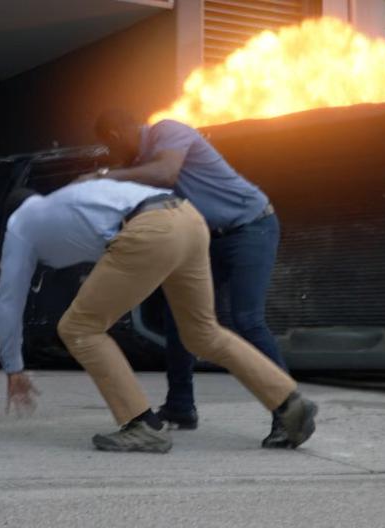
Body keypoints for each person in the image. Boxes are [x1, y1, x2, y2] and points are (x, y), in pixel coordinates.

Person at [0, 179, 318, 453]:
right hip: (188, 218)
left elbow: (8, 300)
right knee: (202, 332)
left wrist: (13, 367)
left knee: (79, 327)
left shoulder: (19, 225)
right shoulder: (66, 200)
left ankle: (141, 425)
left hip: (150, 229)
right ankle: (289, 404)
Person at [93, 109, 291, 447]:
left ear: (114, 134)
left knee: (247, 319)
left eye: (108, 149)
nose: (111, 157)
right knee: (179, 317)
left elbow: (167, 172)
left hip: (251, 228)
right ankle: (180, 407)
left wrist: (109, 174)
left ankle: (289, 412)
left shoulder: (165, 132)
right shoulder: (141, 165)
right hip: (209, 239)